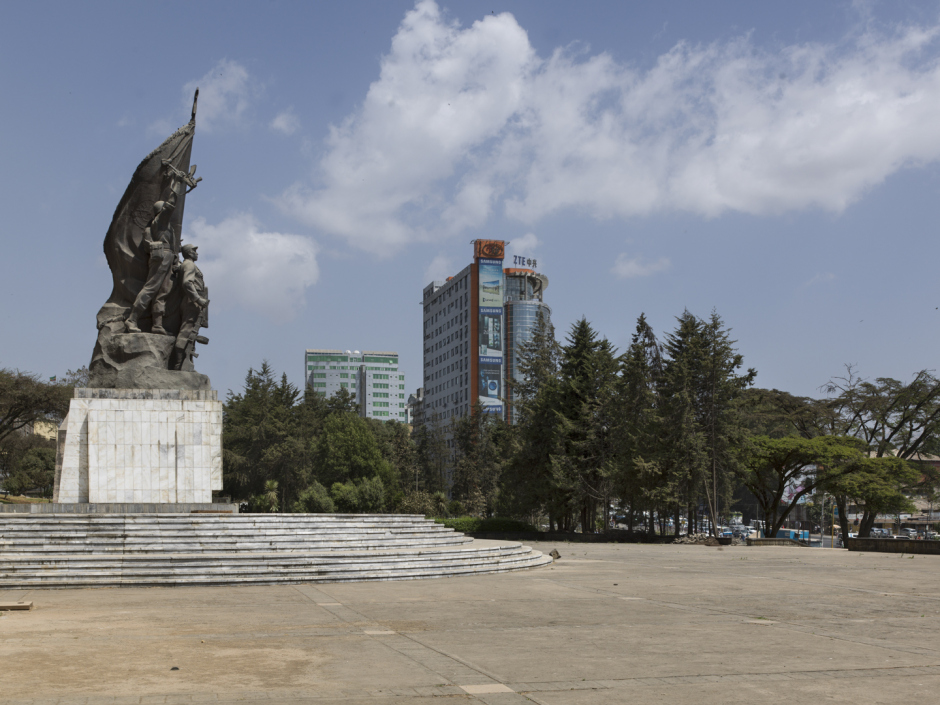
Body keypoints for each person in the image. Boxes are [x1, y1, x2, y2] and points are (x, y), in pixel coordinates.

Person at [125, 199, 177, 334]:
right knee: (151, 288)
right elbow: (170, 206)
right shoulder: (160, 222)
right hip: (161, 257)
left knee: (162, 292)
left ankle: (157, 325)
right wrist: (178, 184)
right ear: (161, 211)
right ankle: (132, 319)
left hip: (168, 257)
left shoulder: (167, 226)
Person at [170, 244, 209, 370]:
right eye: (194, 251)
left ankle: (183, 363)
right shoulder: (189, 264)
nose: (196, 253)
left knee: (190, 332)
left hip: (190, 300)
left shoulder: (185, 264)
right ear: (188, 253)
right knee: (186, 332)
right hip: (192, 301)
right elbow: (187, 282)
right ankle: (178, 365)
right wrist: (198, 299)